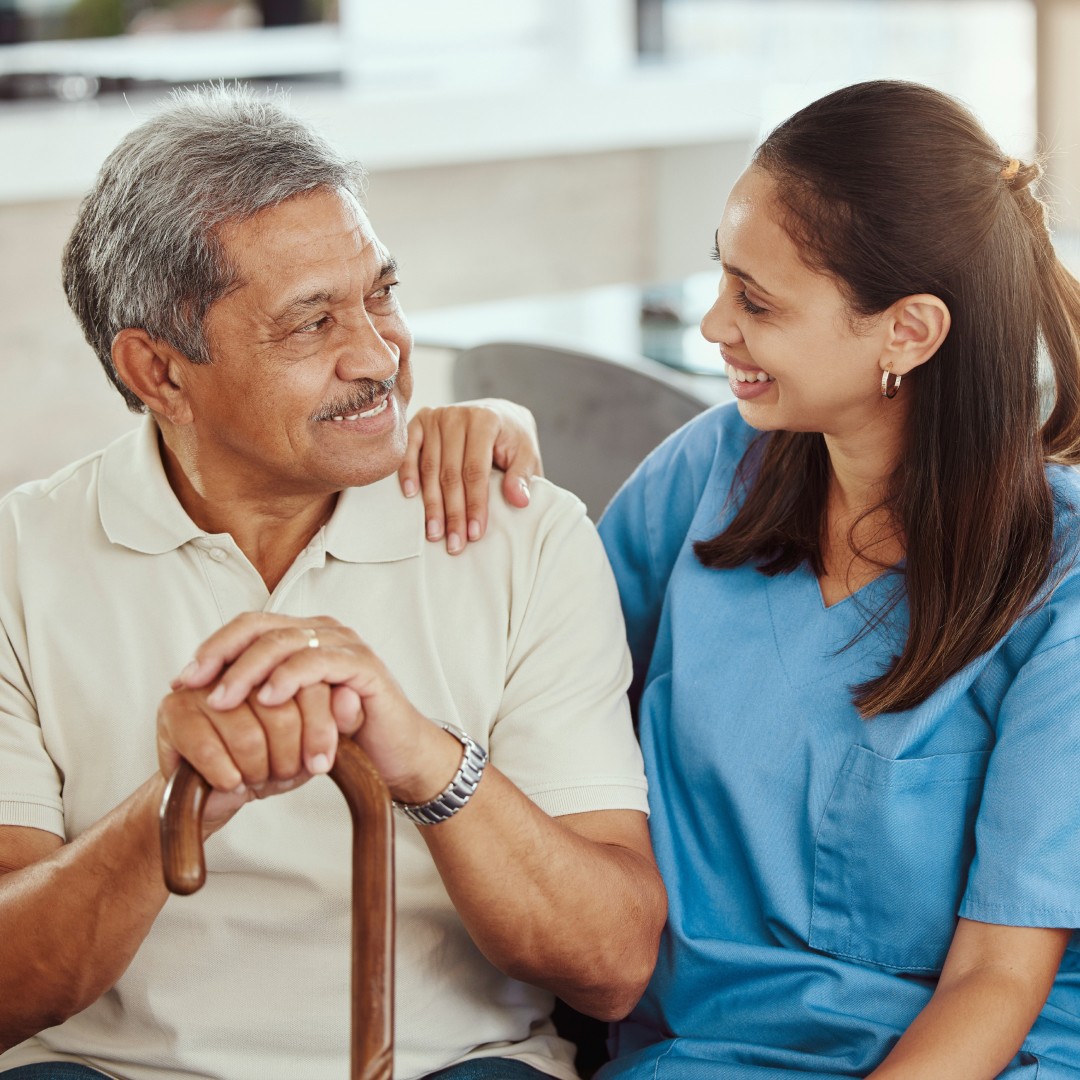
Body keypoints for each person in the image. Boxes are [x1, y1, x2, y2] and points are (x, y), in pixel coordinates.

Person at [404, 80, 1080, 1078]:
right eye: (723, 278)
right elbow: (533, 669)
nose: (715, 324)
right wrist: (505, 443)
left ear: (908, 332)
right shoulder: (711, 471)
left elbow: (995, 980)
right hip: (698, 1055)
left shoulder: (1059, 587)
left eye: (758, 302)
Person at [0, 85, 667, 1080]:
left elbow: (611, 969)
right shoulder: (18, 560)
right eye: (310, 324)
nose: (380, 354)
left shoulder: (523, 534)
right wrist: (180, 804)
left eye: (382, 294)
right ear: (159, 371)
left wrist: (426, 763)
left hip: (456, 1066)